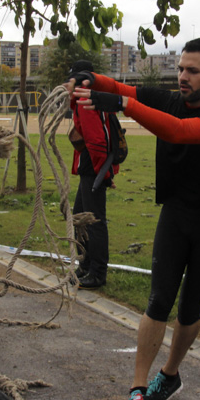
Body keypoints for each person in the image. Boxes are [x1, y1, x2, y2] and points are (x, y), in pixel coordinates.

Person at [70, 38, 200, 400]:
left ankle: (171, 373)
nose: (182, 76)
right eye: (180, 68)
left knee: (190, 308)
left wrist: (126, 107)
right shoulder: (170, 99)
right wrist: (88, 78)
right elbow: (120, 88)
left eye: (192, 71)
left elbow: (179, 132)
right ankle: (137, 389)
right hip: (177, 215)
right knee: (159, 299)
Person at [65, 59, 119, 289]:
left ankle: (97, 272)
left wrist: (103, 175)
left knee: (93, 220)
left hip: (94, 168)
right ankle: (85, 265)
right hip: (91, 166)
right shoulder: (89, 97)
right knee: (80, 215)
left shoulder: (85, 101)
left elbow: (96, 140)